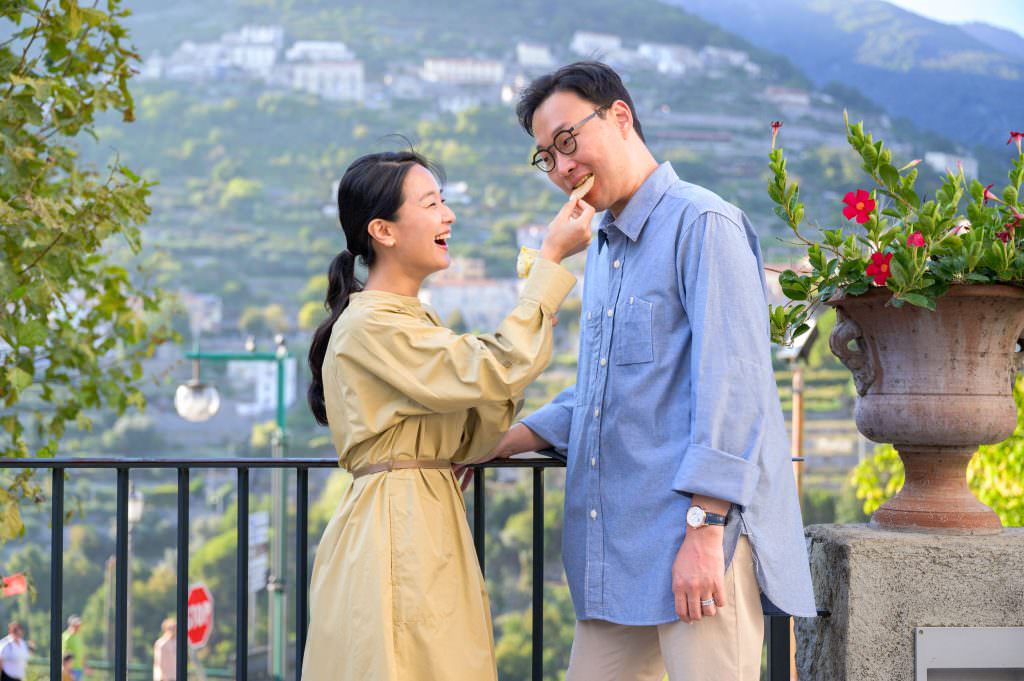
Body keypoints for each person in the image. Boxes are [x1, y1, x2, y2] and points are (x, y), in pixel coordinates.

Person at [491, 61, 817, 680]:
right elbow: (605, 387)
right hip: (615, 551)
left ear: (619, 117)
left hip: (695, 545)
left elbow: (734, 384)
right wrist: (513, 438)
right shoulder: (605, 246)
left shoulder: (702, 223)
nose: (561, 167)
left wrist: (705, 530)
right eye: (546, 157)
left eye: (567, 141)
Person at [300, 149, 594, 681]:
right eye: (431, 203)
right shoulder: (373, 326)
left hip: (423, 519)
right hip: (399, 529)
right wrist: (550, 264)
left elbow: (479, 417)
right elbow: (493, 369)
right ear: (383, 231)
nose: (448, 215)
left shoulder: (409, 320)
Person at [60, 615, 87, 680]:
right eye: (76, 625)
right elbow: (64, 653)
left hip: (79, 669)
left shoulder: (78, 636)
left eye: (79, 625)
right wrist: (66, 669)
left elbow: (81, 652)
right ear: (71, 625)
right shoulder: (66, 636)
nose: (78, 627)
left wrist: (85, 665)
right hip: (70, 670)